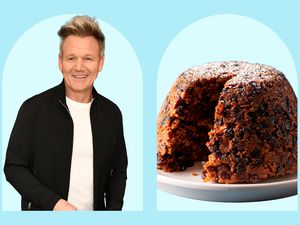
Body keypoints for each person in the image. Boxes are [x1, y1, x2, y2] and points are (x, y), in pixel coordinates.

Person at [4, 15, 128, 211]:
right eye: (71, 58)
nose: (79, 67)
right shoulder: (33, 109)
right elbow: (13, 167)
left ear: (100, 63)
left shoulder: (112, 113)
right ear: (60, 62)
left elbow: (119, 170)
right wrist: (54, 204)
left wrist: (113, 213)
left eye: (88, 58)